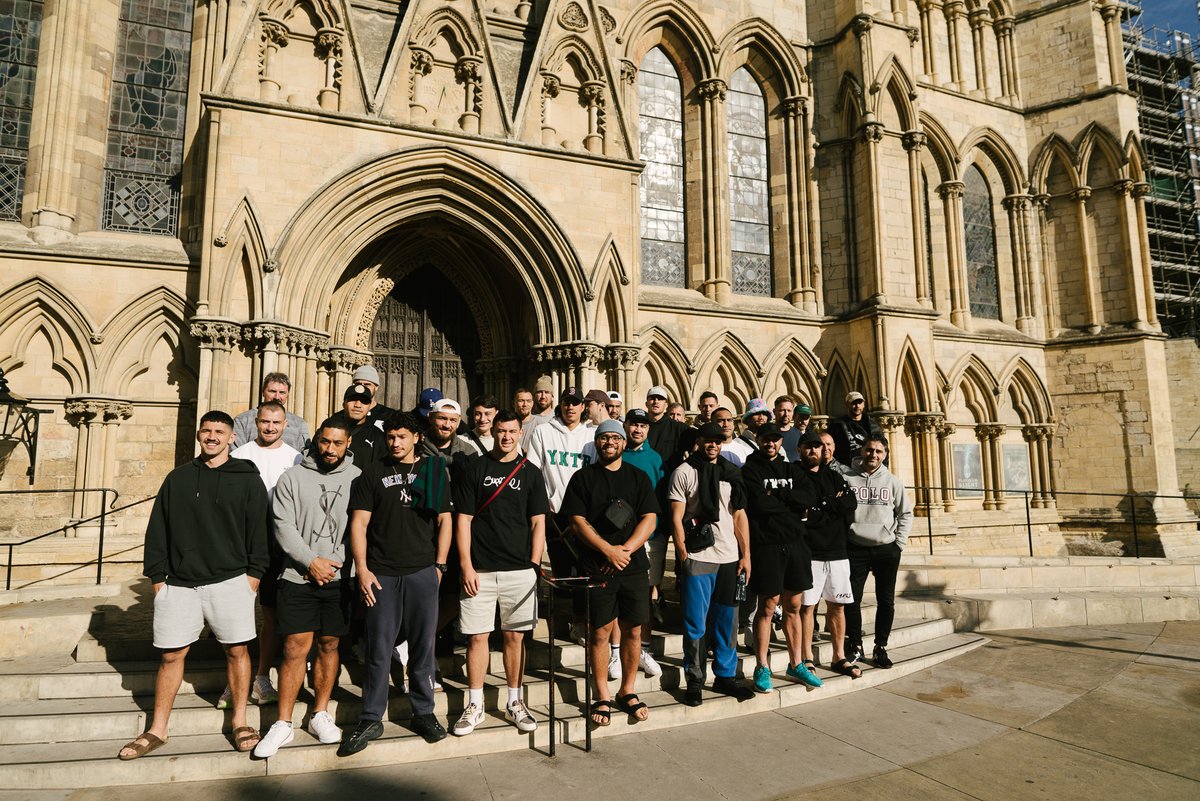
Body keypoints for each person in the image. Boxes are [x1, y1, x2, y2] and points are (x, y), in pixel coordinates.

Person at [118, 411, 268, 760]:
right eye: (207, 431)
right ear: (199, 435)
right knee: (171, 655)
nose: (212, 436)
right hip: (179, 585)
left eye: (220, 431)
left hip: (232, 580)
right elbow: (159, 529)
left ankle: (241, 721)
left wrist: (253, 577)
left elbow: (259, 531)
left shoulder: (247, 479)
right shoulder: (179, 478)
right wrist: (158, 579)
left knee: (237, 651)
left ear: (232, 438)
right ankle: (158, 728)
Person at [341, 412, 453, 754]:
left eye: (402, 436)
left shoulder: (432, 471)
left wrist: (439, 566)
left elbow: (445, 519)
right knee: (378, 648)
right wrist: (362, 569)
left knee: (423, 647)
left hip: (422, 571)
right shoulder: (372, 472)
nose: (395, 442)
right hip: (383, 573)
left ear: (416, 437)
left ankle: (424, 712)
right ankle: (371, 717)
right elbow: (359, 525)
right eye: (391, 437)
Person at [253, 417, 361, 757]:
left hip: (339, 577)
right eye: (325, 442)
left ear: (348, 446)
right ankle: (283, 723)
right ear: (316, 441)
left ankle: (320, 713)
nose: (330, 449)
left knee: (329, 645)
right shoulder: (292, 478)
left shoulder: (358, 479)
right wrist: (311, 561)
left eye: (337, 443)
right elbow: (282, 525)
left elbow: (361, 527)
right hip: (296, 576)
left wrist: (335, 563)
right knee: (295, 647)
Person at [451, 411, 547, 736]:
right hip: (479, 568)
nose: (506, 437)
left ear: (521, 432)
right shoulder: (475, 469)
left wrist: (534, 565)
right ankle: (475, 703)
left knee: (514, 637)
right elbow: (462, 520)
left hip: (519, 570)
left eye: (511, 431)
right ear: (492, 431)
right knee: (477, 637)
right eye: (501, 431)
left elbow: (538, 523)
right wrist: (465, 565)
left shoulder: (531, 473)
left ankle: (515, 701)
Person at [562, 420, 659, 727]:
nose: (609, 443)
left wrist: (626, 550)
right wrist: (608, 550)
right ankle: (602, 694)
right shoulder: (583, 478)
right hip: (597, 565)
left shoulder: (638, 477)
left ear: (623, 442)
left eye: (615, 438)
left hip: (632, 566)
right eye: (604, 438)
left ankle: (627, 691)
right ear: (597, 443)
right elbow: (577, 522)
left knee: (633, 630)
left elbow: (650, 519)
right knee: (600, 632)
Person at [224, 400, 303, 708]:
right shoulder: (240, 455)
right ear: (256, 422)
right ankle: (233, 680)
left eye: (276, 422)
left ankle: (260, 676)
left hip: (277, 546)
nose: (270, 427)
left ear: (285, 425)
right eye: (265, 422)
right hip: (242, 545)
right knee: (236, 614)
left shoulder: (295, 458)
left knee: (270, 614)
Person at [669, 422, 754, 706]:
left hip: (729, 557)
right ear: (700, 441)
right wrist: (683, 554)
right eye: (708, 440)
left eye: (719, 440)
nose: (713, 444)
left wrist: (746, 555)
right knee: (695, 624)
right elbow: (676, 516)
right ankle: (694, 679)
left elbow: (739, 516)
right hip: (699, 557)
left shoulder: (732, 473)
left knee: (727, 623)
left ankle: (726, 676)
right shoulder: (684, 472)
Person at [742, 423, 822, 692]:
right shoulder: (750, 469)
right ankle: (762, 666)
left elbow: (809, 496)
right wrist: (789, 502)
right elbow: (757, 504)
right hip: (767, 545)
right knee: (767, 606)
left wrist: (779, 495)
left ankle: (796, 663)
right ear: (759, 439)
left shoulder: (791, 469)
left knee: (795, 605)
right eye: (766, 439)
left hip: (796, 544)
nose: (771, 443)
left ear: (780, 442)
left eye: (775, 439)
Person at [523, 387, 594, 643]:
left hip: (584, 516)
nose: (571, 408)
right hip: (554, 515)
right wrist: (543, 506)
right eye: (567, 403)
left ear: (583, 406)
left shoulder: (591, 436)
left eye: (576, 403)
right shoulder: (543, 432)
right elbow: (533, 471)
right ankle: (559, 624)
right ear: (560, 405)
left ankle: (579, 622)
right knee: (560, 571)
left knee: (582, 571)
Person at [796, 431, 860, 679]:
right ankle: (807, 658)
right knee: (807, 608)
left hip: (838, 552)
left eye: (818, 446)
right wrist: (831, 505)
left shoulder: (835, 476)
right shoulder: (796, 477)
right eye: (809, 446)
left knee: (837, 607)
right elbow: (802, 512)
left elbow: (850, 503)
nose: (814, 450)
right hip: (809, 552)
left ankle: (838, 656)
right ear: (800, 449)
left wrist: (819, 507)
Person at [844, 436, 912, 669]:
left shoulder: (893, 482)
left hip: (886, 549)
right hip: (855, 548)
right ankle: (855, 645)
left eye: (878, 451)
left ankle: (880, 646)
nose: (873, 454)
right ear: (862, 452)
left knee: (886, 601)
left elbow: (905, 514)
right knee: (851, 599)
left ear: (885, 455)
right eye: (869, 450)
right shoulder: (847, 479)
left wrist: (898, 544)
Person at [620, 408, 667, 674]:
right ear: (625, 426)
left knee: (647, 593)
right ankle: (618, 650)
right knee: (619, 592)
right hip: (619, 539)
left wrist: (659, 531)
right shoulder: (615, 453)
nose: (638, 429)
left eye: (643, 425)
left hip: (650, 537)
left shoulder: (655, 458)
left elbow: (660, 498)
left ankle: (644, 647)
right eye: (634, 424)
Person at [232, 372, 310, 452]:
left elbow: (304, 456)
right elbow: (236, 453)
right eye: (272, 391)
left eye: (282, 393)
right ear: (263, 392)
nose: (277, 397)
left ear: (287, 395)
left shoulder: (299, 423)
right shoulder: (243, 420)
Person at [829, 391, 883, 468]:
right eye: (853, 403)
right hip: (846, 469)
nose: (857, 406)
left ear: (863, 404)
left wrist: (882, 468)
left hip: (867, 468)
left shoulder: (872, 425)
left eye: (859, 402)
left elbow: (883, 447)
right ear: (847, 404)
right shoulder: (837, 425)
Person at [342, 384, 386, 468]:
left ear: (369, 406)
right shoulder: (329, 430)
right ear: (343, 404)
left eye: (364, 401)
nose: (358, 405)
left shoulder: (377, 435)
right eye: (352, 399)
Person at [645, 385, 688, 467]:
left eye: (660, 399)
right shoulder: (639, 426)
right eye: (652, 398)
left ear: (666, 404)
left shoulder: (678, 427)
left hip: (668, 477)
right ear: (646, 403)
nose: (656, 401)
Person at [351, 364, 395, 431]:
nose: (362, 388)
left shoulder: (389, 415)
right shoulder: (346, 414)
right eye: (358, 384)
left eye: (367, 384)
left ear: (376, 387)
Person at [774, 395, 800, 462]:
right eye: (782, 410)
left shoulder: (799, 434)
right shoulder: (768, 433)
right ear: (774, 411)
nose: (786, 414)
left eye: (789, 410)